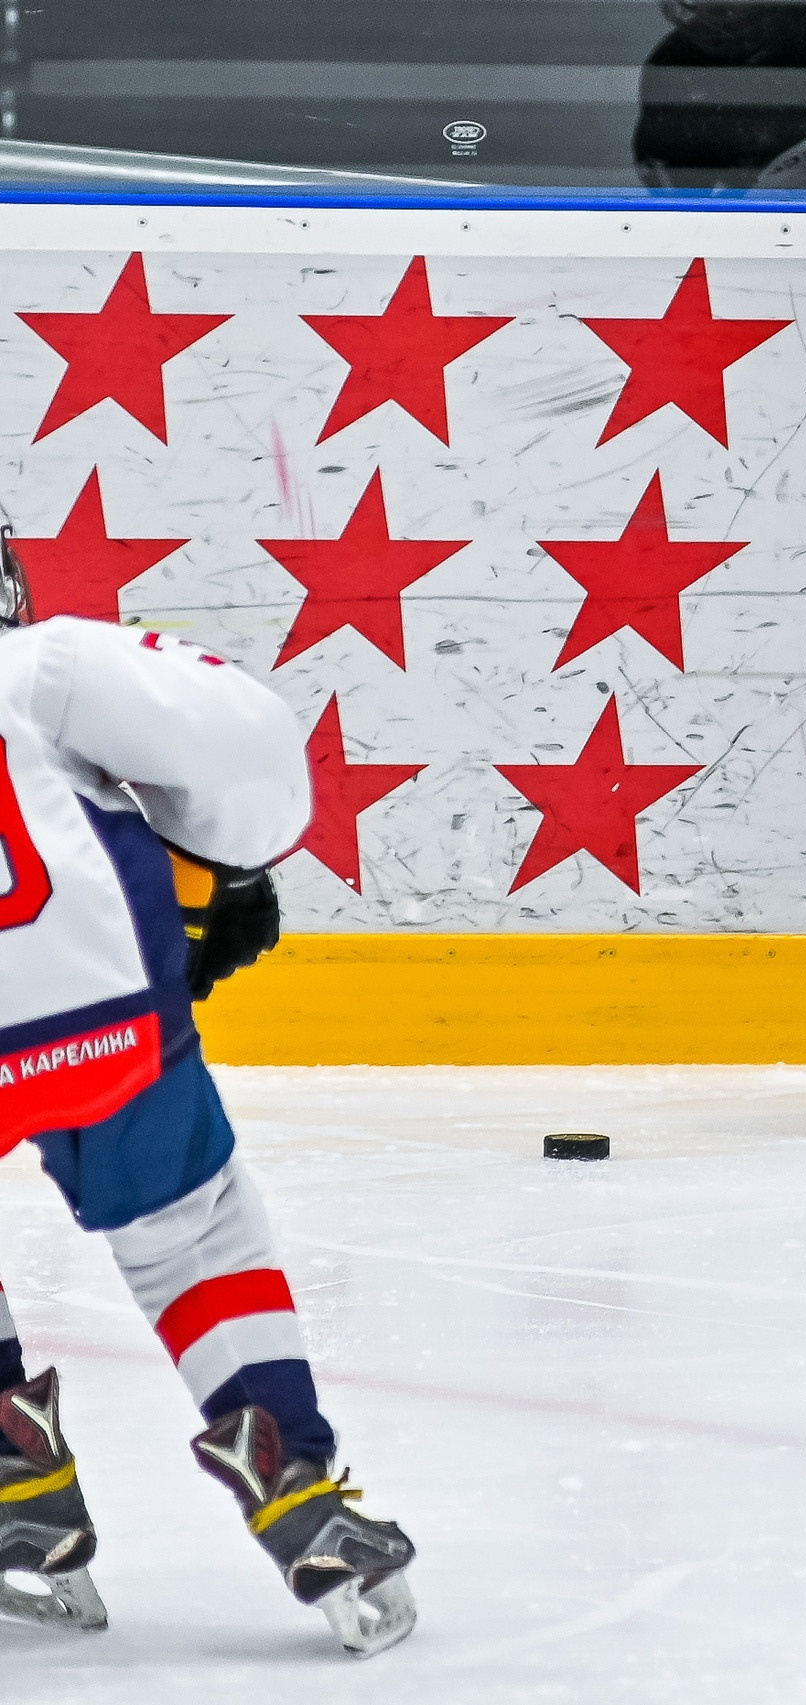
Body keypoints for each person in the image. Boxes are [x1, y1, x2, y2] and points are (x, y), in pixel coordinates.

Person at [0, 540, 417, 1657]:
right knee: (194, 1235)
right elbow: (246, 743)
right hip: (97, 1011)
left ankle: (13, 1480)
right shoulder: (40, 666)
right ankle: (296, 1489)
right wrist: (208, 871)